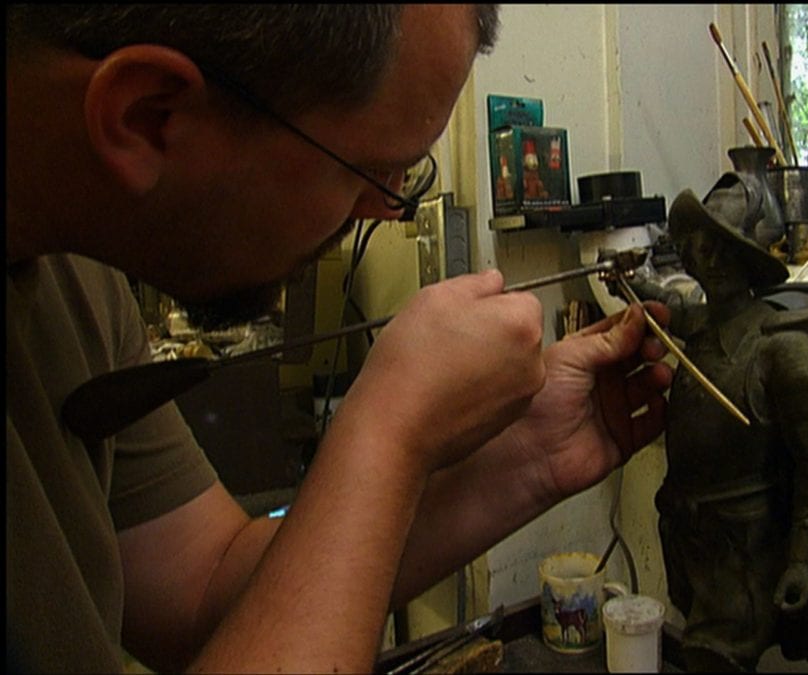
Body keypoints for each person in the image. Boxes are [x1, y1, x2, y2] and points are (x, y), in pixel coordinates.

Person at [6, 5, 672, 673]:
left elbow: (204, 588)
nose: (381, 211)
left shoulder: (77, 278)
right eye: (368, 172)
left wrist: (528, 459)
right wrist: (387, 426)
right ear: (146, 116)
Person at [623, 175, 808, 671]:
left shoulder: (782, 349)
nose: (711, 262)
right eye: (702, 249)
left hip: (749, 554)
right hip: (692, 539)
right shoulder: (703, 323)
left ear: (749, 259)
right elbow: (677, 309)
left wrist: (801, 560)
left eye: (725, 250)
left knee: (716, 657)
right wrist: (624, 280)